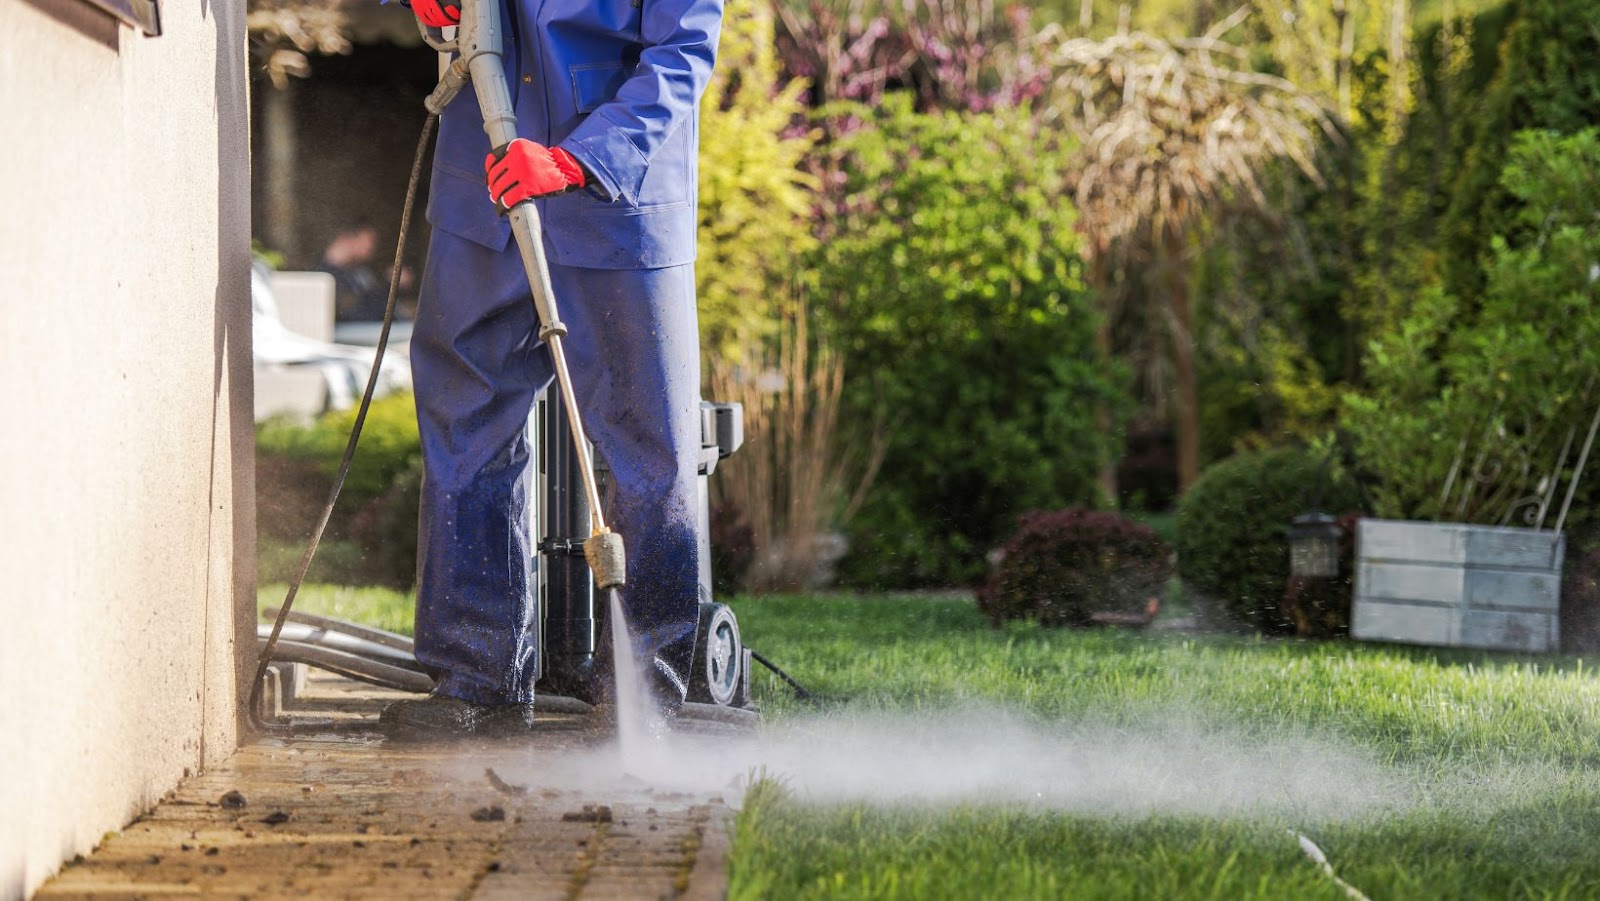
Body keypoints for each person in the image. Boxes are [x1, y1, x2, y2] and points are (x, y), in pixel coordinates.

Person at [379, 0, 724, 736]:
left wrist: (577, 160)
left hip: (612, 203)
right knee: (466, 424)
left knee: (645, 446)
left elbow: (683, 50)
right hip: (486, 190)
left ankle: (641, 693)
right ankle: (478, 680)